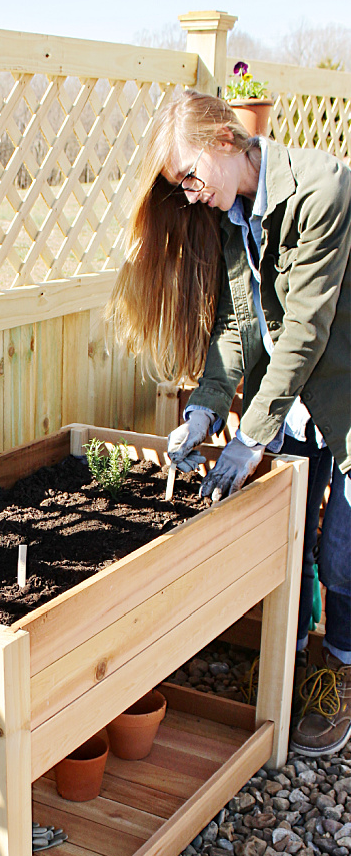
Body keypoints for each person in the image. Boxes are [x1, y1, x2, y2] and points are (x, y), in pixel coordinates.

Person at [108, 88, 351, 757]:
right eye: (176, 185)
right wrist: (205, 409)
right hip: (295, 398)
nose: (187, 194)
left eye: (188, 176)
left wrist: (249, 435)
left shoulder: (322, 190)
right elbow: (239, 325)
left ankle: (341, 670)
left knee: (344, 550)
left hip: (345, 392)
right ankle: (292, 661)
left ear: (223, 140)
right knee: (293, 535)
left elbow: (304, 331)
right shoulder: (232, 212)